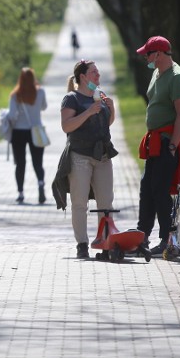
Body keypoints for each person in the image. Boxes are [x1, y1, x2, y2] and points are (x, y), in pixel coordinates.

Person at [135, 36, 180, 255]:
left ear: (158, 54)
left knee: (160, 190)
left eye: (148, 54)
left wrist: (172, 147)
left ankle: (167, 238)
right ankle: (142, 236)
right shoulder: (156, 73)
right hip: (156, 140)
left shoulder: (178, 78)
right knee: (146, 187)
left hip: (169, 141)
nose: (146, 58)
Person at [60, 59, 117, 259]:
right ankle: (82, 244)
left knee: (106, 202)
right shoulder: (71, 99)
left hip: (102, 155)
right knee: (79, 202)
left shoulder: (100, 95)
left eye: (98, 73)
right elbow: (67, 126)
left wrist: (111, 109)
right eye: (94, 73)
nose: (98, 76)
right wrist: (89, 111)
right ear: (83, 77)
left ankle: (105, 241)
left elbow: (105, 124)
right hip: (80, 156)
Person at [6, 67, 48, 204]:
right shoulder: (40, 92)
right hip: (36, 131)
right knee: (38, 162)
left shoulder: (15, 95)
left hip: (18, 132)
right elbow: (44, 107)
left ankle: (21, 193)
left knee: (20, 163)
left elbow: (11, 116)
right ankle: (41, 184)